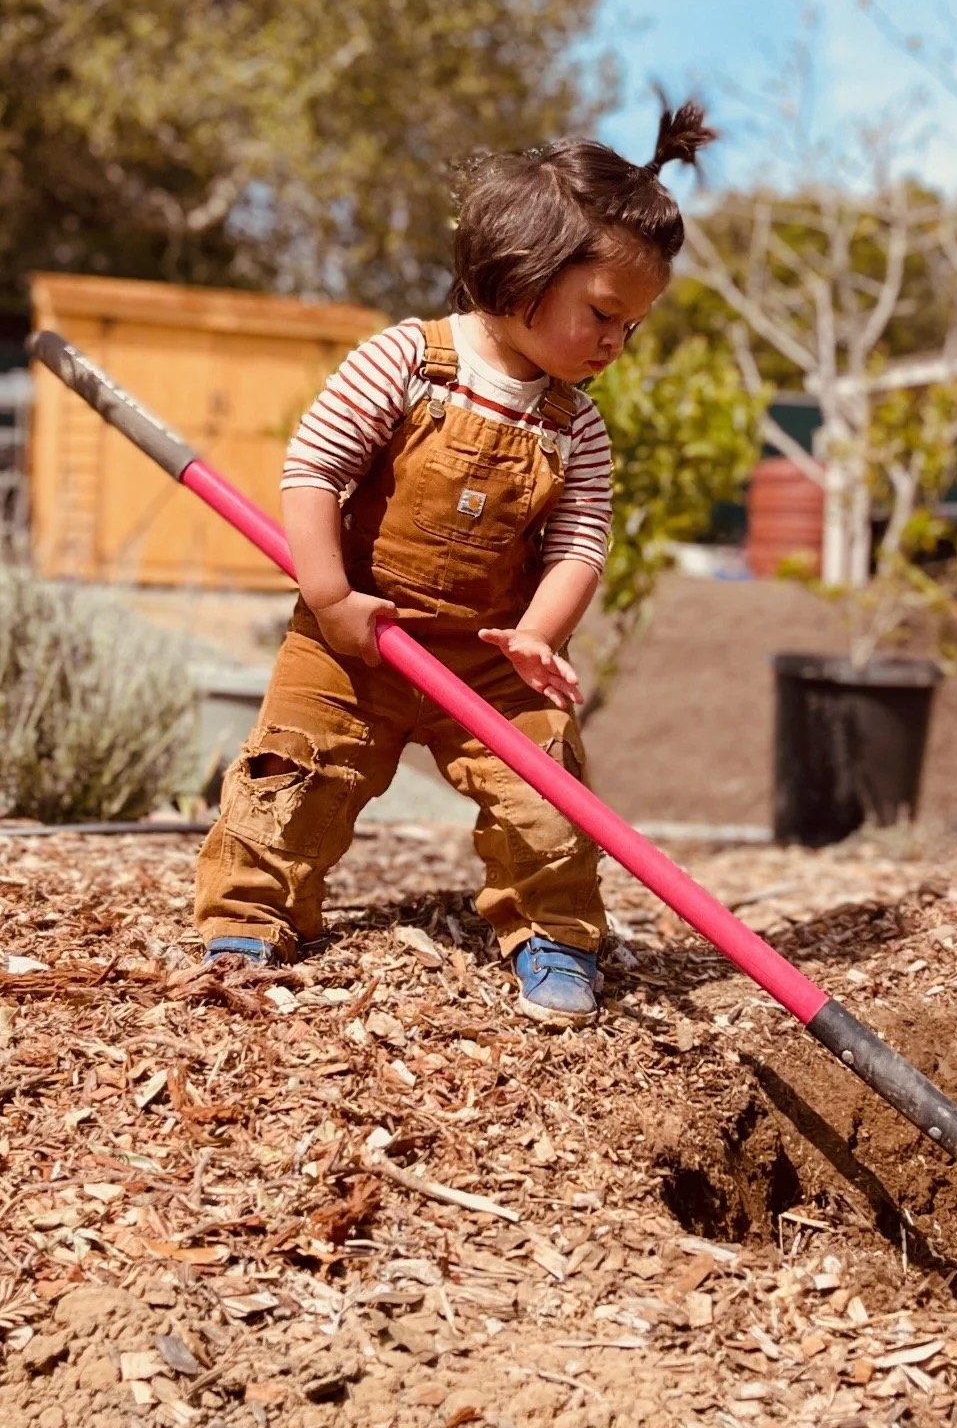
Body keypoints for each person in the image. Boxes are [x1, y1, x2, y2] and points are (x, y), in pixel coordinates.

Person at [193, 101, 715, 1027]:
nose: (613, 344)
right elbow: (314, 470)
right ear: (524, 273)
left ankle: (554, 935)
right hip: (354, 634)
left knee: (546, 790)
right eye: (602, 314)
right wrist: (330, 595)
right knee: (294, 776)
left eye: (630, 328)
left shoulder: (575, 426)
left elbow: (581, 541)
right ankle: (249, 918)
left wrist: (538, 635)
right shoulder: (403, 361)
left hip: (486, 651)